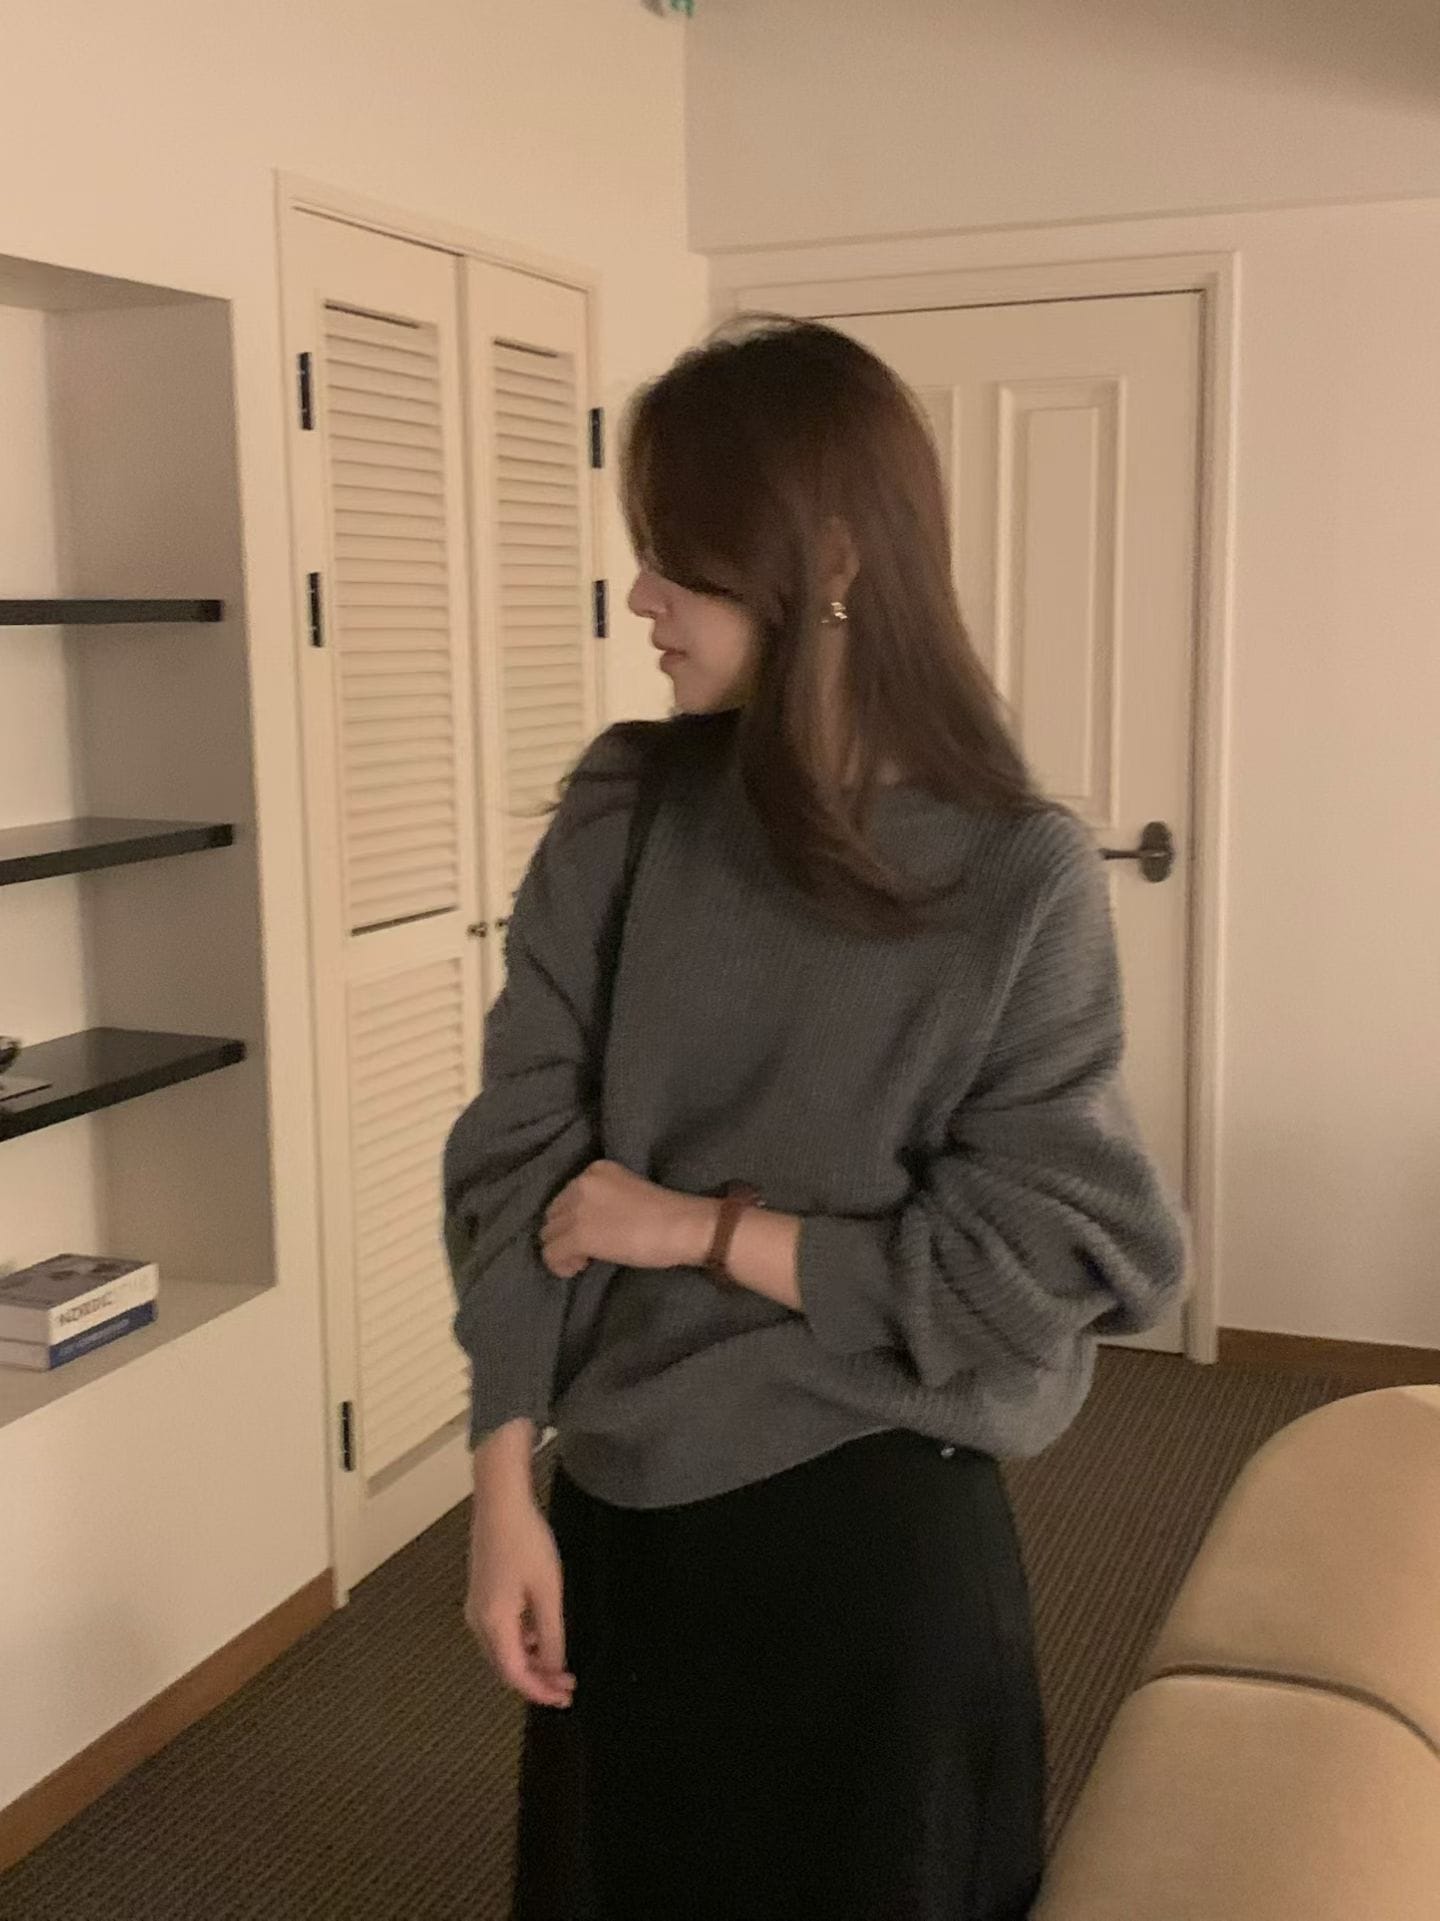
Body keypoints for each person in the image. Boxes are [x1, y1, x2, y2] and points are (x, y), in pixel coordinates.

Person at [443, 316, 1186, 1921]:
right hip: (623, 1513)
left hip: (873, 1537)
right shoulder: (625, 808)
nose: (640, 597)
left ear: (831, 558)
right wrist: (502, 1481)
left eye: (679, 558)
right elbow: (513, 1158)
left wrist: (696, 1229)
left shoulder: (1016, 874)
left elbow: (1056, 1259)